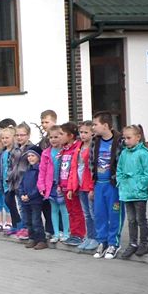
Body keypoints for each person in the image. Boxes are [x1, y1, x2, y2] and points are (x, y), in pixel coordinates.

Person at [116, 125, 148, 259]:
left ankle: (144, 244)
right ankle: (132, 243)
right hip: (127, 192)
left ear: (138, 137)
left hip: (138, 193)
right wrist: (121, 182)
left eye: (129, 138)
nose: (126, 141)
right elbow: (119, 169)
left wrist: (140, 186)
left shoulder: (144, 153)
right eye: (124, 138)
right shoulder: (124, 153)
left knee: (140, 219)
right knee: (131, 220)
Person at [90, 111, 124, 259]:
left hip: (113, 185)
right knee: (99, 214)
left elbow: (122, 163)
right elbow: (91, 162)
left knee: (114, 214)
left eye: (95, 124)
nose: (93, 127)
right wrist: (92, 184)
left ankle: (113, 243)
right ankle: (102, 242)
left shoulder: (119, 141)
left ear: (105, 125)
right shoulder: (95, 141)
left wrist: (118, 180)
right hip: (99, 184)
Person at [68, 120, 98, 251]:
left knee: (93, 213)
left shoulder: (94, 147)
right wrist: (71, 187)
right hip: (80, 185)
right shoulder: (79, 146)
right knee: (86, 214)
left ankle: (97, 237)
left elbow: (93, 170)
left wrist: (92, 188)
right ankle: (89, 237)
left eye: (86, 132)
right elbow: (74, 167)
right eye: (81, 132)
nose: (83, 135)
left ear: (92, 133)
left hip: (88, 185)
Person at [38, 126, 69, 243]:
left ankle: (66, 232)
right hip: (51, 186)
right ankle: (56, 233)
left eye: (56, 137)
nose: (53, 139)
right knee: (54, 210)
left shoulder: (65, 151)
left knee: (64, 210)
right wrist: (41, 186)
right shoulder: (46, 153)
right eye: (51, 137)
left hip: (63, 185)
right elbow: (42, 171)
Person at [58, 122, 84, 246]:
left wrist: (71, 187)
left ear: (70, 135)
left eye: (61, 134)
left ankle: (79, 235)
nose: (59, 136)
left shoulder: (77, 149)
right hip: (64, 185)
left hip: (73, 187)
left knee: (77, 211)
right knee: (71, 211)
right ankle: (73, 233)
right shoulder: (64, 150)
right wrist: (60, 184)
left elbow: (74, 169)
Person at [5, 123, 32, 240]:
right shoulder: (15, 149)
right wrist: (9, 176)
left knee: (25, 207)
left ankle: (27, 228)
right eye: (17, 135)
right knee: (13, 202)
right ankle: (19, 225)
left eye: (22, 135)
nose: (19, 137)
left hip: (25, 183)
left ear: (28, 135)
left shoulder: (31, 149)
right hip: (14, 182)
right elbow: (11, 165)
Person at [18, 146, 48, 250]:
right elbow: (21, 184)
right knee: (28, 221)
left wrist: (30, 196)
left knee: (36, 220)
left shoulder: (39, 170)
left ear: (39, 157)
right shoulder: (27, 170)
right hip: (25, 200)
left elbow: (38, 186)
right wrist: (22, 194)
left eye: (33, 155)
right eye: (28, 156)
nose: (30, 158)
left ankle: (41, 240)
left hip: (35, 200)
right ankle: (32, 238)